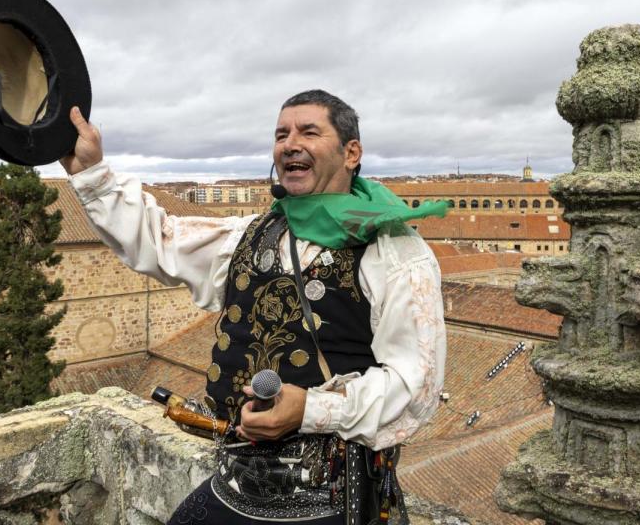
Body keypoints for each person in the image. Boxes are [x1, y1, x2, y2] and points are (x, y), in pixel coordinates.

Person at [62, 90, 448, 524]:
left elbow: (416, 385)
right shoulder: (251, 234)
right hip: (234, 483)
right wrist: (91, 172)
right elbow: (160, 239)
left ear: (351, 152)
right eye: (281, 134)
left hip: (332, 501)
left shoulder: (396, 252)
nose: (290, 143)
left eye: (308, 131)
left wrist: (312, 409)